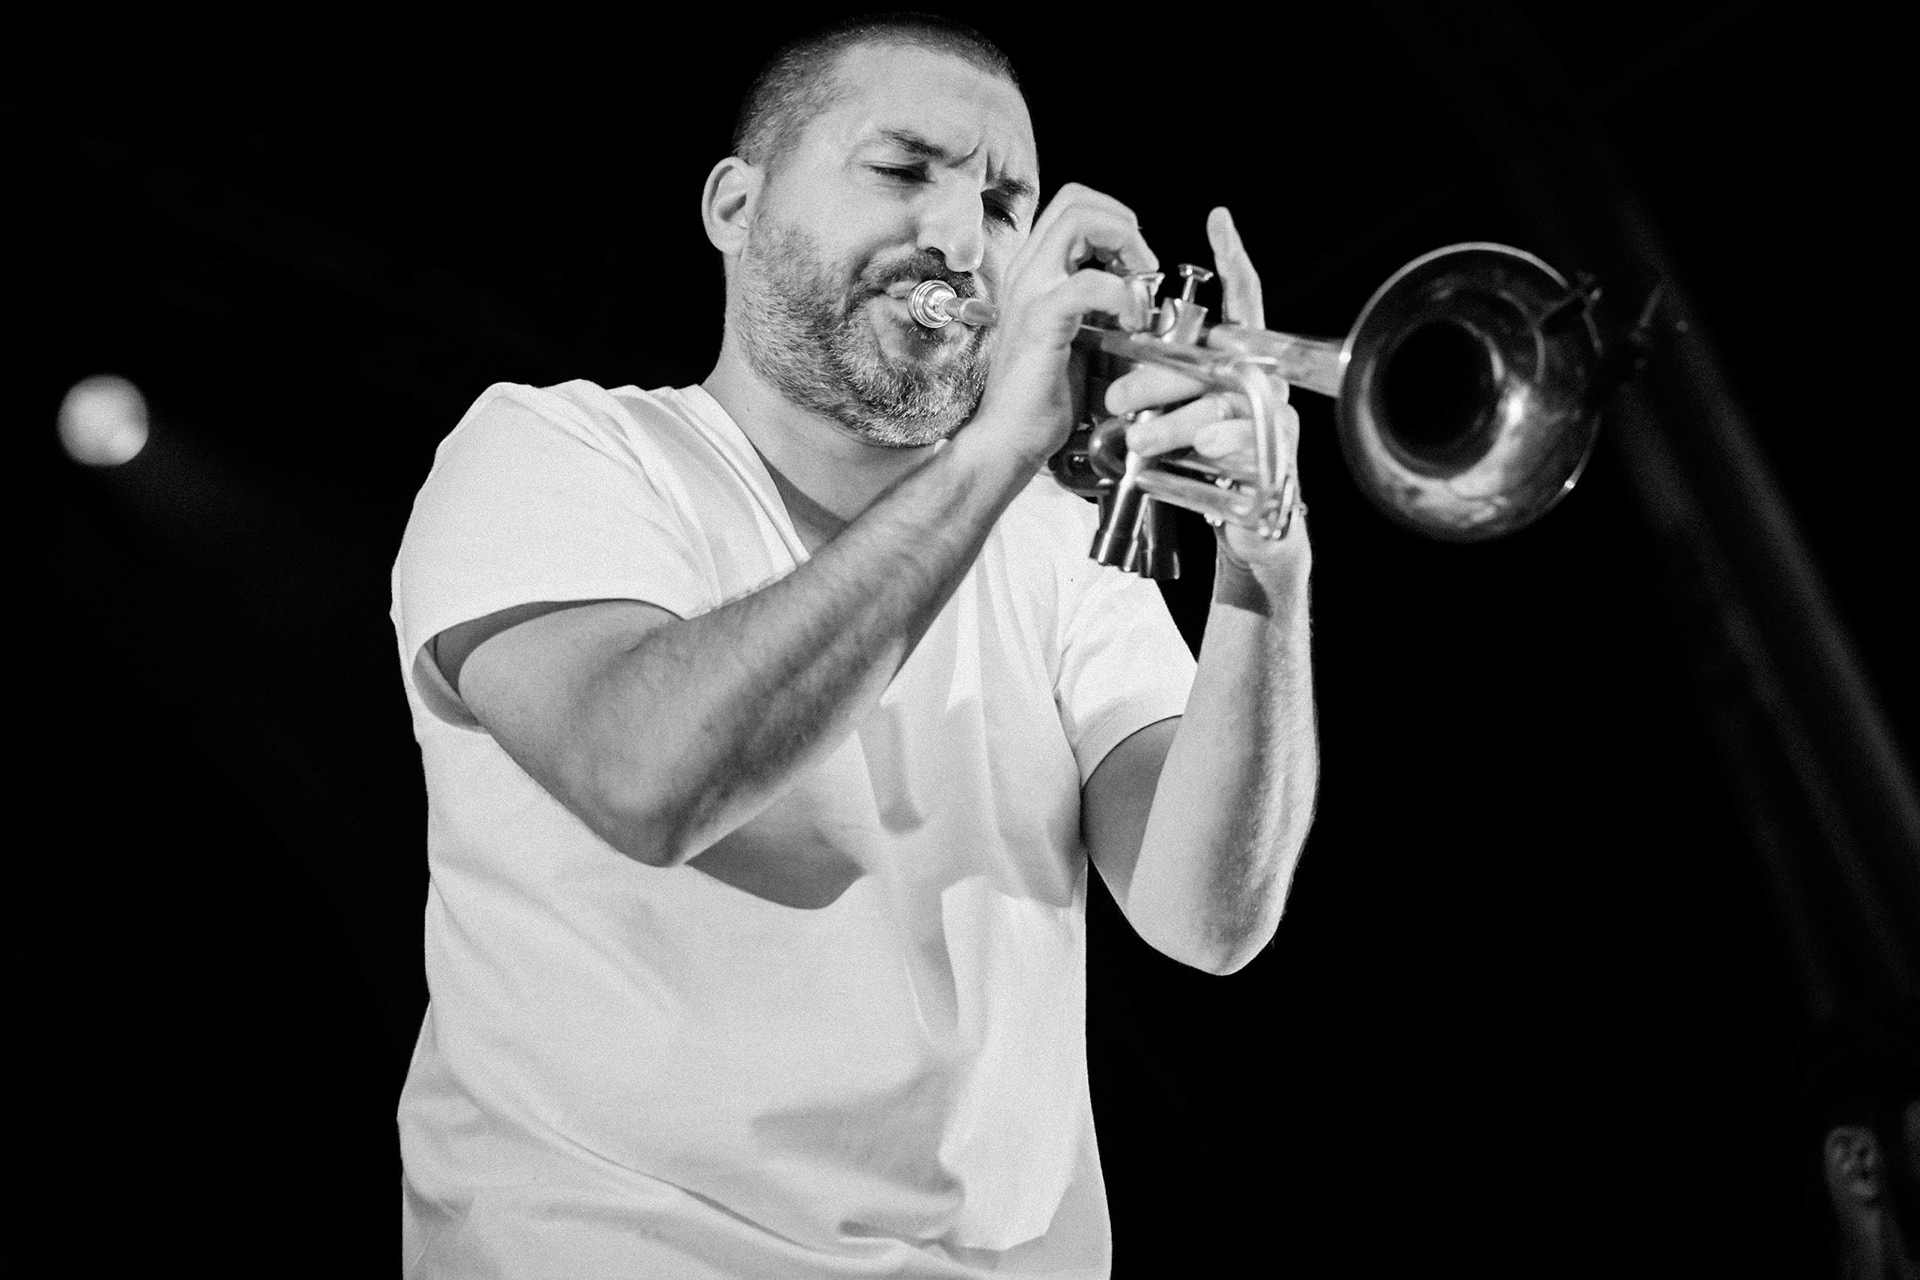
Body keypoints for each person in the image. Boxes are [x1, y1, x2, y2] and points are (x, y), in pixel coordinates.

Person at [389, 14, 1317, 1278]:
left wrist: (1267, 561)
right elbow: (649, 777)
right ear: (735, 202)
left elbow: (1207, 915)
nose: (957, 239)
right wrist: (997, 450)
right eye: (901, 170)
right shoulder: (557, 454)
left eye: (1004, 205)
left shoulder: (1052, 536)